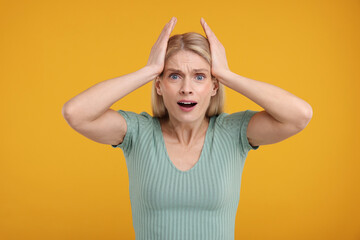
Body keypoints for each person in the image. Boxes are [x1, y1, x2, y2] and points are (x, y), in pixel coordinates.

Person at [62, 17, 312, 240]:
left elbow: (299, 116)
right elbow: (76, 113)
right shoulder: (138, 133)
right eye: (174, 76)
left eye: (200, 76)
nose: (187, 88)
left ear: (214, 86)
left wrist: (227, 74)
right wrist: (148, 70)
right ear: (159, 86)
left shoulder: (233, 132)